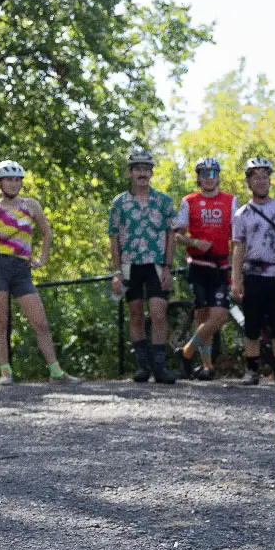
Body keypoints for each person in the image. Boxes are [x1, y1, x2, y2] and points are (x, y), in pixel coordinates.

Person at [0, 160, 81, 385]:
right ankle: (5, 372)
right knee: (1, 321)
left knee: (40, 321)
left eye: (17, 180)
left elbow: (47, 233)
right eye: (8, 180)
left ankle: (56, 370)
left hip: (22, 268)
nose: (13, 184)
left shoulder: (31, 205)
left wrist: (42, 259)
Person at [231, 157, 275, 386]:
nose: (261, 182)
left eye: (265, 177)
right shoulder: (242, 214)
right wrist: (236, 280)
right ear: (248, 183)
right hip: (253, 275)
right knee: (251, 324)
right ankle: (251, 369)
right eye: (255, 177)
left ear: (270, 181)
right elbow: (238, 249)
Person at [108, 146, 177, 384]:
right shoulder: (119, 203)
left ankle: (160, 367)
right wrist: (116, 272)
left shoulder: (164, 202)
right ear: (129, 173)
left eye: (146, 168)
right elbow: (114, 238)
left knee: (158, 313)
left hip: (156, 265)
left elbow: (171, 235)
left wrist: (168, 267)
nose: (142, 173)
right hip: (130, 265)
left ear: (152, 172)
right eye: (137, 168)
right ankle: (141, 366)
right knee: (135, 313)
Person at [173, 156, 239, 380]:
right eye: (204, 173)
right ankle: (207, 366)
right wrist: (194, 242)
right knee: (202, 318)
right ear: (198, 178)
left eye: (213, 173)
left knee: (219, 316)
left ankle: (186, 351)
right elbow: (177, 236)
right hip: (198, 266)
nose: (209, 178)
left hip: (221, 265)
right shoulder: (188, 201)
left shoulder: (230, 201)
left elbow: (238, 236)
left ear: (218, 177)